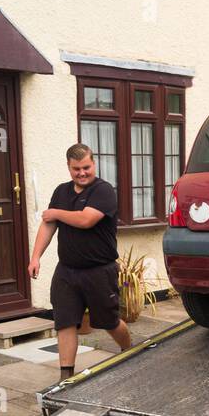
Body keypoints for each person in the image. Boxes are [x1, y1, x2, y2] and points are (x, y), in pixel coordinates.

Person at [29, 143, 132, 380]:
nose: (82, 173)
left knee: (109, 322)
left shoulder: (103, 191)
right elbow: (48, 225)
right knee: (64, 322)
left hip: (99, 270)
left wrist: (55, 212)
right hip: (66, 271)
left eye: (86, 167)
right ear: (69, 167)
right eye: (76, 169)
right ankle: (66, 376)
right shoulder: (61, 192)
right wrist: (35, 257)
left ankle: (130, 351)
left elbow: (86, 220)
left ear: (94, 164)